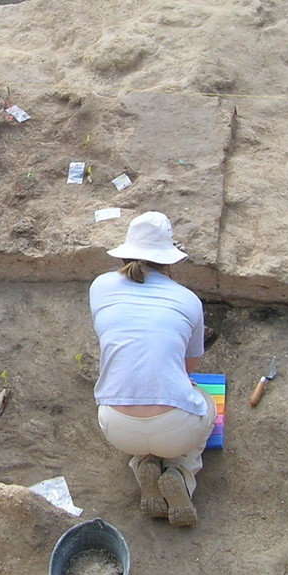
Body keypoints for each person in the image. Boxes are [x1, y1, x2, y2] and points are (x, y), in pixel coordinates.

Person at [89, 212, 216, 528]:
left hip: (117, 426)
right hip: (175, 429)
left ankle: (143, 462)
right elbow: (188, 369)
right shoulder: (188, 300)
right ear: (169, 258)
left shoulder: (100, 287)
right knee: (206, 405)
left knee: (142, 424)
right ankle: (180, 472)